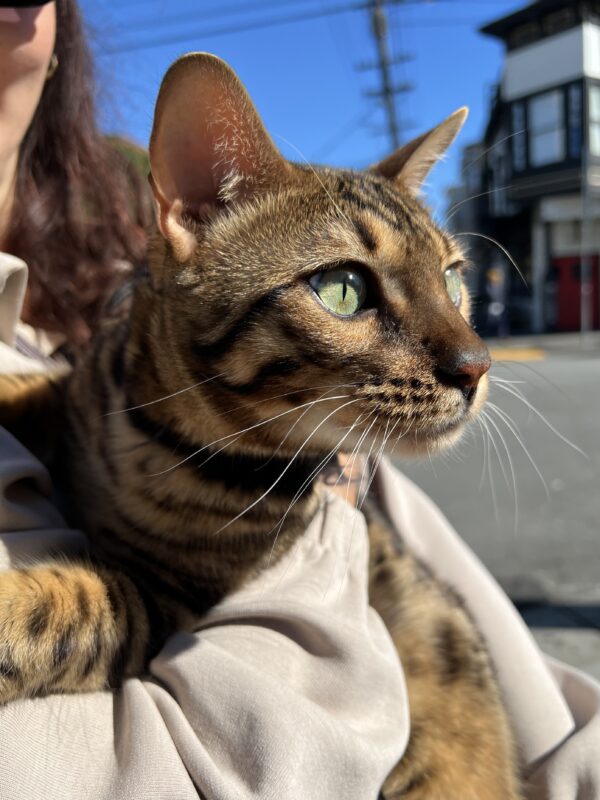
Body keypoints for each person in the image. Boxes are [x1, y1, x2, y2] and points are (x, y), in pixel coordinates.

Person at [0, 4, 599, 799]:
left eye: (449, 282)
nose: (465, 357)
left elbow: (161, 605)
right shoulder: (116, 369)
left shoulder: (277, 429)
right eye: (349, 288)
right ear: (200, 212)